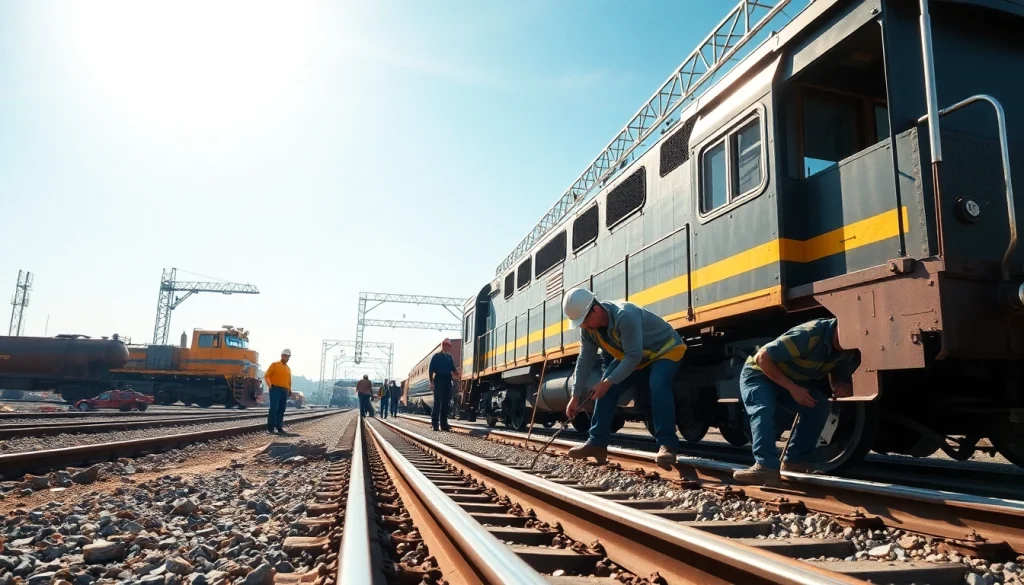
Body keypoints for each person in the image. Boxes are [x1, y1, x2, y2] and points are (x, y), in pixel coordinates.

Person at [562, 287, 687, 469]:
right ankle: (597, 444)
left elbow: (632, 357)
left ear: (596, 310)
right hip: (635, 358)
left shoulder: (625, 316)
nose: (584, 327)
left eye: (585, 322)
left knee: (658, 384)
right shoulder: (588, 330)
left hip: (665, 351)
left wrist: (607, 382)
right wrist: (575, 396)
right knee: (605, 391)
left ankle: (668, 445)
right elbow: (585, 360)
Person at [732, 317, 858, 487]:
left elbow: (836, 369)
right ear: (838, 328)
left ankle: (794, 462)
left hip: (791, 380)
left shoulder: (846, 346)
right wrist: (793, 388)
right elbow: (763, 358)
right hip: (759, 373)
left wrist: (839, 385)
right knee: (762, 409)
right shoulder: (809, 334)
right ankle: (765, 467)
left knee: (819, 406)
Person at [429, 338, 461, 431]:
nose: (449, 347)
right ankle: (435, 424)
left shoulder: (449, 357)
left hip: (447, 381)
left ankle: (444, 424)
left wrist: (458, 374)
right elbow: (431, 370)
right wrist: (431, 382)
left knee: (446, 404)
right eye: (448, 345)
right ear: (444, 345)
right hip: (438, 380)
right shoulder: (436, 356)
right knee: (437, 403)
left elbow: (453, 369)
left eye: (450, 346)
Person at [264, 349, 292, 434]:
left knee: (282, 409)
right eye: (284, 356)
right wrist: (270, 386)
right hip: (275, 388)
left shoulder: (288, 368)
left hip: (285, 390)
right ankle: (270, 428)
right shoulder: (275, 364)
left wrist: (289, 389)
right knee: (274, 408)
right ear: (281, 355)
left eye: (287, 356)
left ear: (289, 358)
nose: (285, 357)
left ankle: (279, 427)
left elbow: (289, 381)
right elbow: (266, 376)